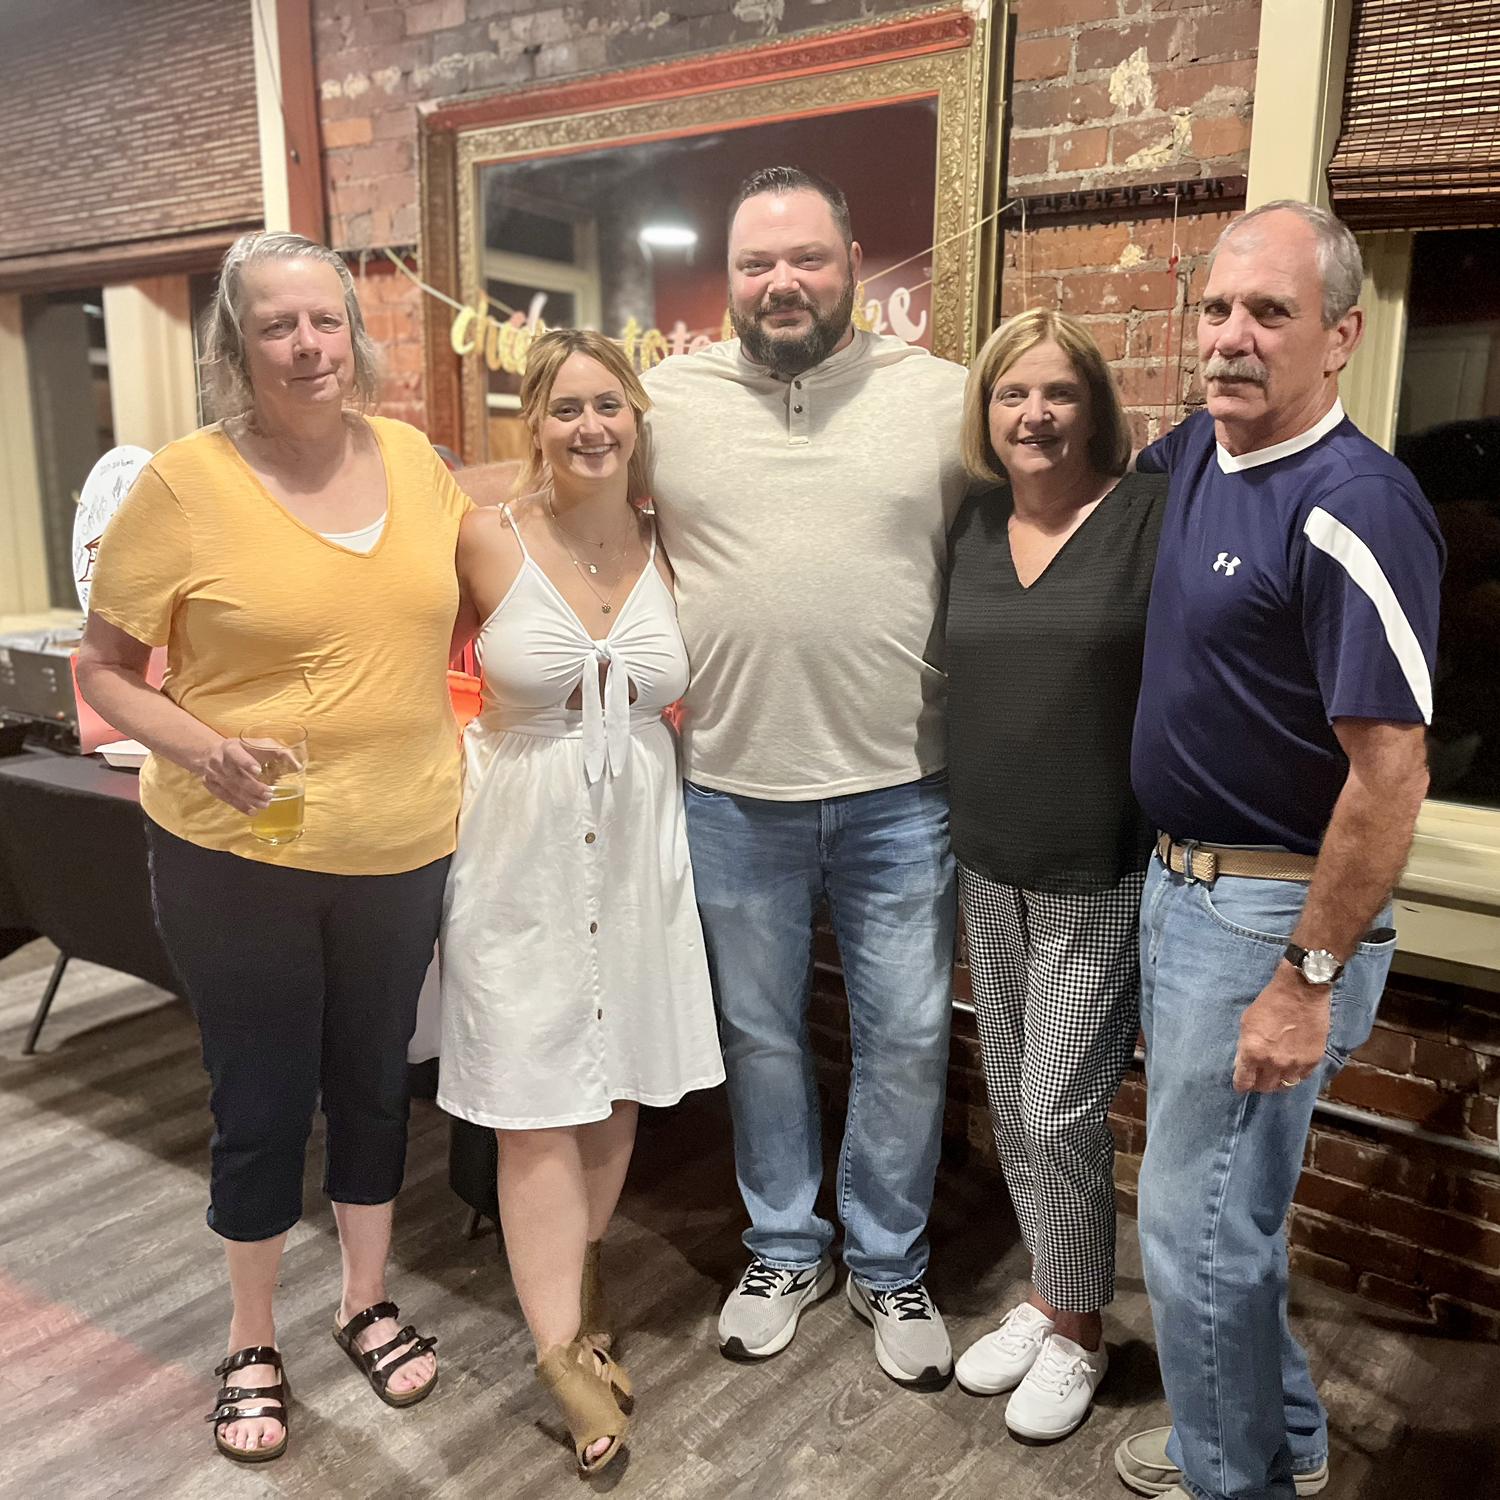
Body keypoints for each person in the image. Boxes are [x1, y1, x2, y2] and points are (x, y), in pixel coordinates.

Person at [76, 231, 465, 1464]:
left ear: (356, 331)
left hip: (403, 843)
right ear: (235, 349)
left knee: (373, 1084)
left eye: (325, 321)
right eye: (276, 326)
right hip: (239, 858)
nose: (307, 345)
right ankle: (252, 1337)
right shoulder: (185, 486)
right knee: (259, 1099)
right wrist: (193, 744)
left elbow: (504, 587)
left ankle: (364, 1300)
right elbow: (103, 669)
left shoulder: (411, 458)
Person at [1113, 200, 1443, 1500]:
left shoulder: (1355, 505)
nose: (1234, 338)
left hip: (1265, 920)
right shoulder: (1201, 451)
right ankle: (1281, 1446)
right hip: (1180, 888)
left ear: (1342, 336)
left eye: (1272, 314)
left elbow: (1393, 772)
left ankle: (1231, 1477)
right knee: (1224, 1225)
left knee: (1193, 1234)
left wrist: (1303, 981)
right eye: (1217, 309)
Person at [642, 165, 969, 1390]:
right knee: (761, 1036)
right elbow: (569, 519)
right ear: (729, 281)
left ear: (856, 265)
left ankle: (889, 1262)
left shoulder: (942, 398)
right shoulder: (662, 404)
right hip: (729, 786)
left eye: (808, 260)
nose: (783, 283)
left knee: (906, 1038)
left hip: (903, 787)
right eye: (756, 264)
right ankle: (785, 1244)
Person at [437, 328, 724, 1477]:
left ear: (638, 416)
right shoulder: (481, 540)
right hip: (518, 849)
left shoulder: (676, 547)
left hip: (641, 850)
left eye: (608, 404)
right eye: (565, 409)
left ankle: (583, 1296)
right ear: (534, 423)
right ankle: (560, 1353)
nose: (590, 427)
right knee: (531, 1095)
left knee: (614, 1089)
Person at [945, 309, 1168, 1439]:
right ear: (986, 413)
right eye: (1011, 394)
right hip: (987, 856)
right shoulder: (974, 525)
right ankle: (1050, 1293)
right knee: (1015, 1105)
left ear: (1095, 406)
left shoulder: (1145, 519)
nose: (1034, 415)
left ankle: (1079, 1331)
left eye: (1058, 393)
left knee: (1060, 1105)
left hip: (1099, 865)